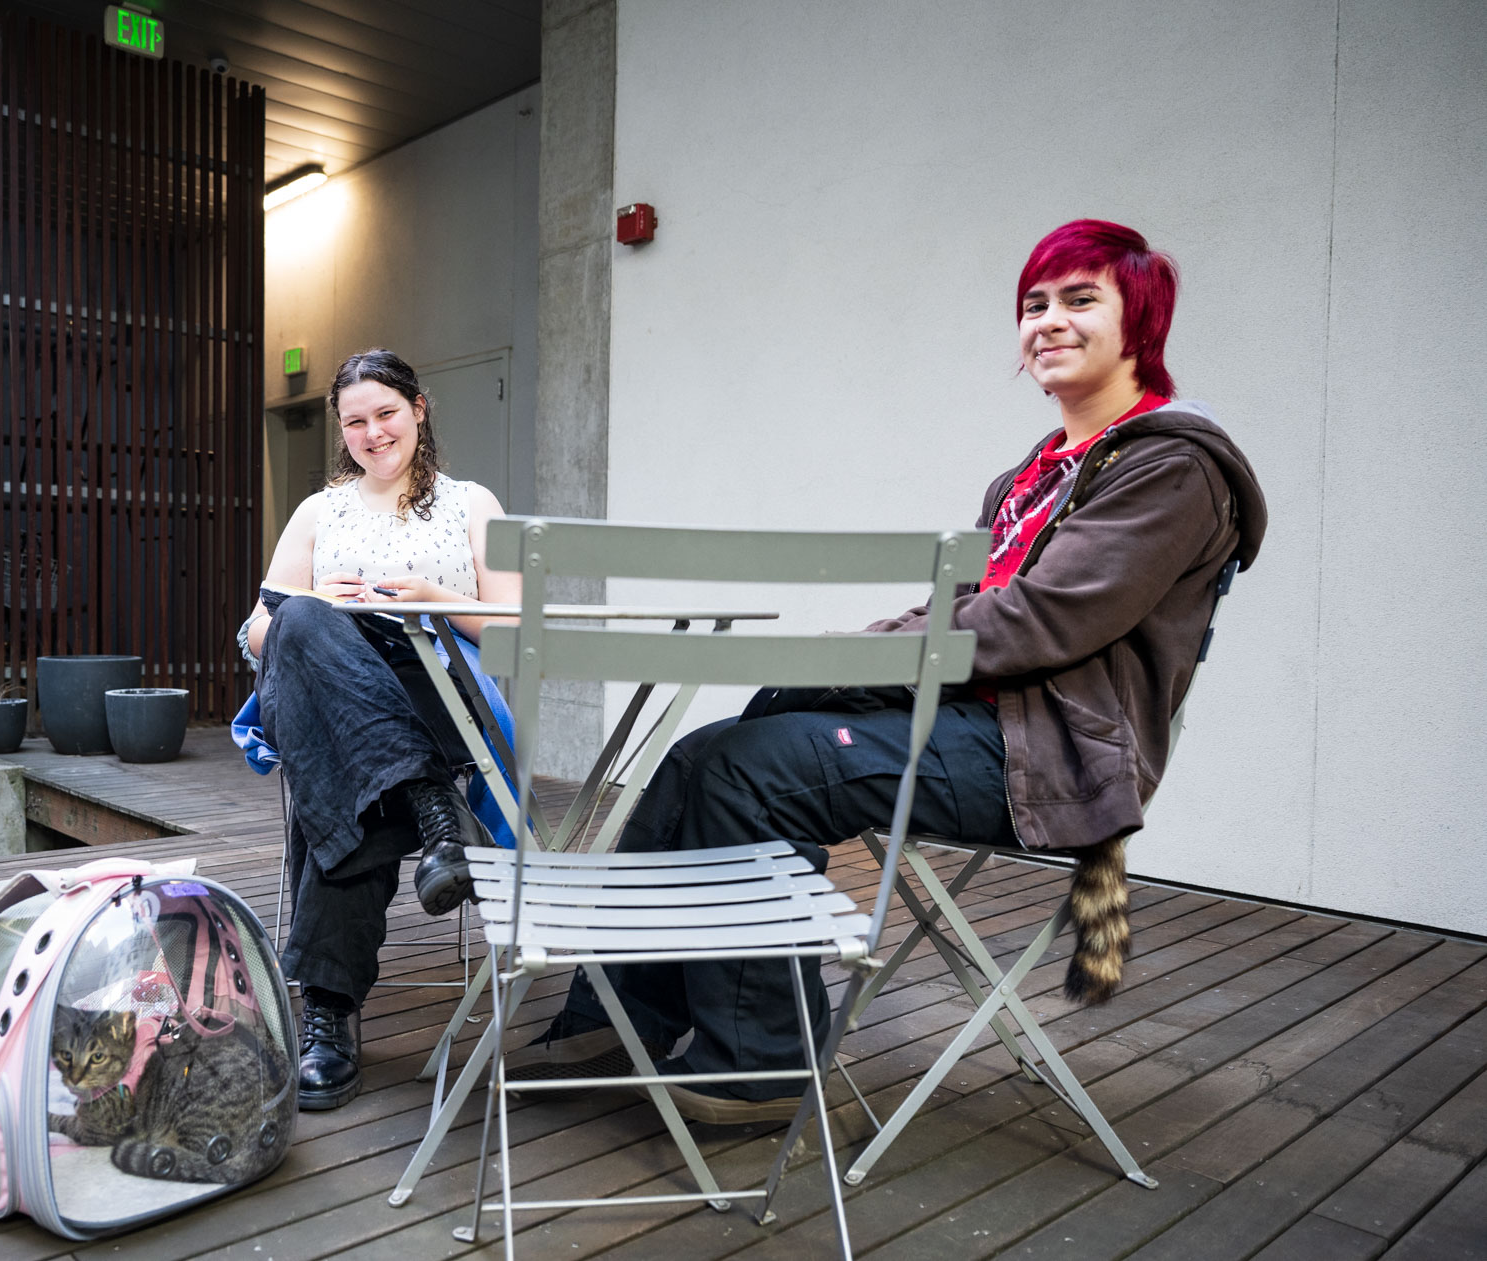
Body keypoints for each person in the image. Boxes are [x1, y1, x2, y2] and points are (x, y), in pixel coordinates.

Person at [504, 219, 1269, 1125]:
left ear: (1140, 318)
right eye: (1034, 304)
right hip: (977, 720)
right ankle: (622, 1014)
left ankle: (764, 1059)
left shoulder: (1170, 466)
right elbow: (962, 608)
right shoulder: (1031, 474)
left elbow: (1042, 618)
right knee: (700, 753)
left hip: (1048, 750)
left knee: (759, 770)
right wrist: (866, 647)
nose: (1048, 321)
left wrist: (867, 658)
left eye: (1079, 299)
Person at [239, 348, 519, 1110]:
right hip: (342, 702)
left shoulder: (471, 503)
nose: (372, 432)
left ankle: (328, 1016)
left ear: (419, 409)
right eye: (355, 421)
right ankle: (434, 809)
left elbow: (512, 631)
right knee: (300, 619)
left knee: (333, 770)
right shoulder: (317, 511)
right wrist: (313, 608)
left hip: (441, 693)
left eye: (386, 413)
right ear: (341, 428)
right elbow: (257, 633)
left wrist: (432, 599)